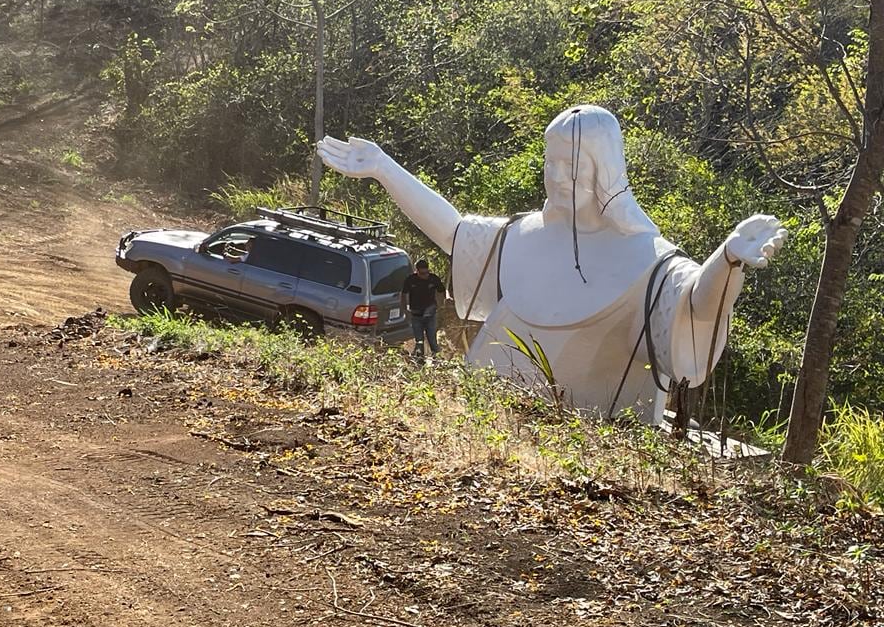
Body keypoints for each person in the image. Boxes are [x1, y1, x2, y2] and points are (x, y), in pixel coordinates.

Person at [317, 105, 787, 422]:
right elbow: (453, 231)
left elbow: (693, 310)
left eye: (574, 166)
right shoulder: (520, 235)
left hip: (581, 467)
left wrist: (726, 265)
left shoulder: (651, 262)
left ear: (606, 171)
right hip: (477, 431)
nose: (558, 178)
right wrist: (383, 167)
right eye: (551, 163)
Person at [402, 259, 445, 360]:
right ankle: (419, 361)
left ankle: (437, 360)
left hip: (430, 315)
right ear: (417, 271)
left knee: (432, 340)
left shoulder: (433, 279)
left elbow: (442, 291)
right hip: (416, 315)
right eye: (422, 273)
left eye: (427, 273)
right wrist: (405, 308)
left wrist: (440, 305)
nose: (425, 275)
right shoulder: (410, 280)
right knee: (419, 341)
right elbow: (404, 294)